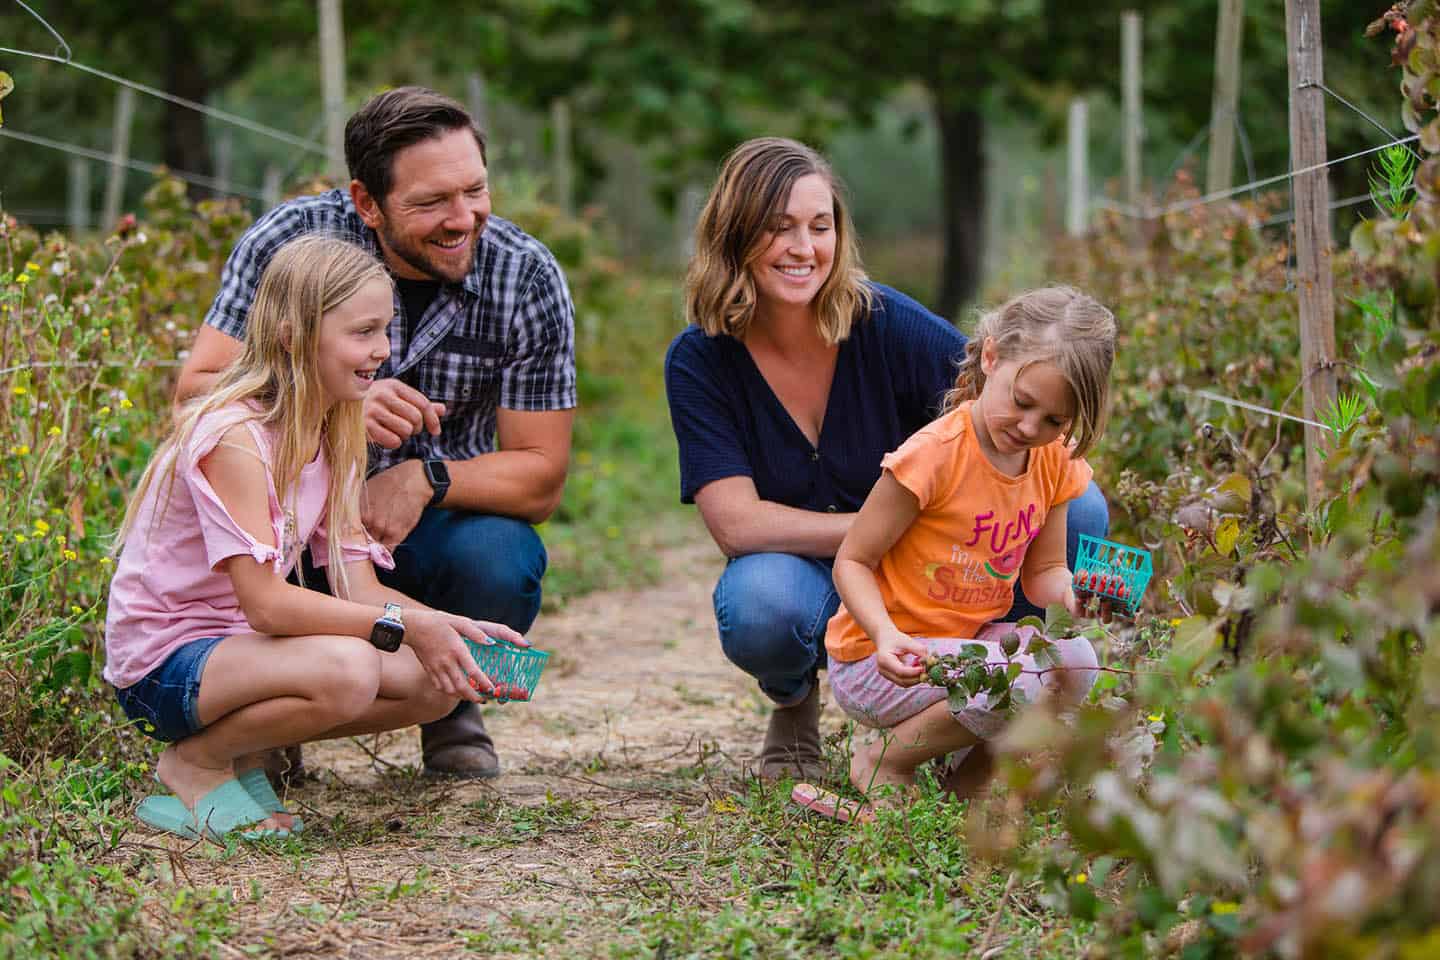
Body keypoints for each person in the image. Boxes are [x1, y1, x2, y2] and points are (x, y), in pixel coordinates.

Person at [664, 138, 1109, 782]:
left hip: (931, 571)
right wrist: (902, 523)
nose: (804, 248)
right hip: (806, 568)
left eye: (821, 227)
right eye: (778, 228)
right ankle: (794, 701)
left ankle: (980, 689)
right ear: (733, 236)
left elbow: (1003, 395)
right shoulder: (700, 360)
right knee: (761, 604)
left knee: (1082, 507)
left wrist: (968, 523)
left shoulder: (885, 323)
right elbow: (736, 524)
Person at [175, 87, 576, 780]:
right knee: (294, 594)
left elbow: (540, 476)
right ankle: (265, 716)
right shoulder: (290, 245)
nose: (464, 219)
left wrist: (426, 477)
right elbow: (193, 395)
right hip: (287, 535)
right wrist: (332, 398)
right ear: (366, 203)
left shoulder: (526, 274)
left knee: (500, 558)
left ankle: (450, 707)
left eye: (475, 190)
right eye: (431, 204)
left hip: (409, 542)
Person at [107, 236, 525, 840]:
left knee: (435, 685)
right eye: (362, 333)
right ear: (290, 335)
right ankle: (193, 763)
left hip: (241, 654)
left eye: (385, 331)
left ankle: (243, 758)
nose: (381, 351)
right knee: (351, 667)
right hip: (166, 665)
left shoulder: (333, 431)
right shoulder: (235, 436)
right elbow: (267, 604)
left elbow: (358, 586)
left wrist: (448, 628)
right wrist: (409, 628)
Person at [813, 286, 1113, 815]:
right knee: (1018, 677)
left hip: (962, 648)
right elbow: (852, 560)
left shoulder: (1050, 460)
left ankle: (969, 780)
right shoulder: (933, 456)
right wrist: (885, 634)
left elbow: (1044, 571)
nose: (1030, 428)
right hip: (880, 659)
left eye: (1054, 421)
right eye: (1022, 403)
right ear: (992, 357)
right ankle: (886, 760)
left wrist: (1074, 594)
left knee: (1077, 663)